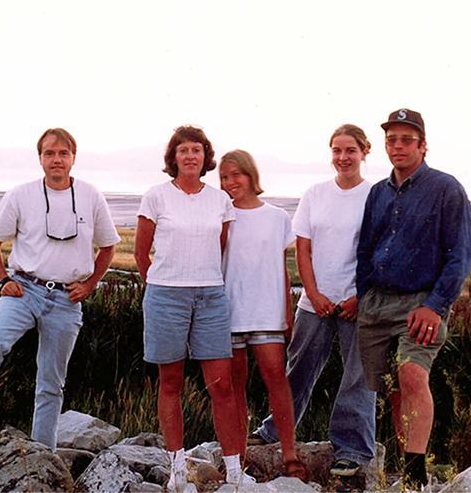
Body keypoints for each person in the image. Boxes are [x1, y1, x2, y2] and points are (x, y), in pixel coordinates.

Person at [0, 128, 120, 467]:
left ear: (73, 157)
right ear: (41, 158)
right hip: (24, 290)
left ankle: (41, 456)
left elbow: (108, 246)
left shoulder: (91, 196)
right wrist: (3, 280)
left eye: (63, 153)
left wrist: (89, 285)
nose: (56, 159)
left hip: (66, 301)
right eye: (49, 153)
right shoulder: (21, 195)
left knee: (51, 383)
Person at [356, 108, 471, 488]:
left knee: (412, 374)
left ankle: (414, 474)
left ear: (424, 146)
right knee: (392, 386)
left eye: (407, 140)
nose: (398, 146)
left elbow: (461, 253)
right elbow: (365, 250)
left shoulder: (446, 188)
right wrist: (363, 297)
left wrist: (435, 306)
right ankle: (400, 466)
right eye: (392, 140)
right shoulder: (378, 192)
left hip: (421, 302)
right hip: (377, 303)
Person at [251, 124, 378, 477]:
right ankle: (273, 432)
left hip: (359, 304)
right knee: (298, 370)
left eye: (350, 150)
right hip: (315, 303)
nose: (342, 157)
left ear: (365, 152)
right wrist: (315, 293)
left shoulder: (377, 195)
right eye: (336, 151)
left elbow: (382, 253)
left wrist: (359, 297)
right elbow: (302, 248)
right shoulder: (315, 194)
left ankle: (352, 450)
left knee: (358, 377)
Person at [133, 125, 249, 491]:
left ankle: (234, 471)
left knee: (222, 384)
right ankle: (177, 469)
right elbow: (140, 253)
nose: (190, 156)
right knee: (170, 383)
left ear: (205, 156)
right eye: (183, 150)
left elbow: (222, 247)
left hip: (211, 297)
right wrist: (160, 287)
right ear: (174, 157)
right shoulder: (156, 196)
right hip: (166, 296)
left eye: (196, 150)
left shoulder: (220, 201)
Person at [219, 150, 308, 481]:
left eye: (235, 175)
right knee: (235, 384)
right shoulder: (221, 215)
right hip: (230, 311)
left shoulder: (277, 216)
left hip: (267, 311)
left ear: (250, 175)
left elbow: (283, 269)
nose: (230, 183)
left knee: (276, 378)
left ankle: (289, 453)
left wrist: (287, 311)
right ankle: (238, 456)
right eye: (224, 177)